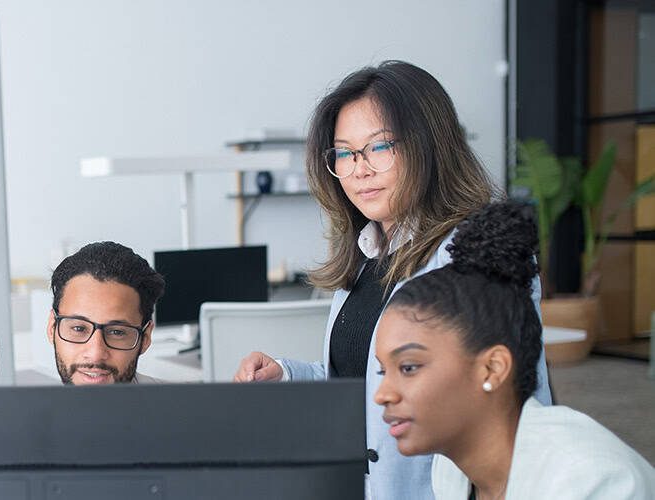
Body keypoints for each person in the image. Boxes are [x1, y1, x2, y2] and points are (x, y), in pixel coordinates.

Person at [233, 61, 552, 498]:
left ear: (429, 146)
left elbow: (518, 407)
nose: (359, 169)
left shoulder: (474, 255)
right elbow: (362, 380)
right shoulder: (365, 254)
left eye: (378, 147)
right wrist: (287, 375)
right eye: (344, 154)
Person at [374, 201, 655, 499]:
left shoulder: (595, 482)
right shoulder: (451, 468)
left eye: (408, 367)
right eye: (383, 371)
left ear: (493, 368)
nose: (382, 394)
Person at [46, 241, 166, 385]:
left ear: (145, 338)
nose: (96, 355)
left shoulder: (184, 406)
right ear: (52, 328)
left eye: (117, 332)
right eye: (79, 328)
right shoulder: (22, 407)